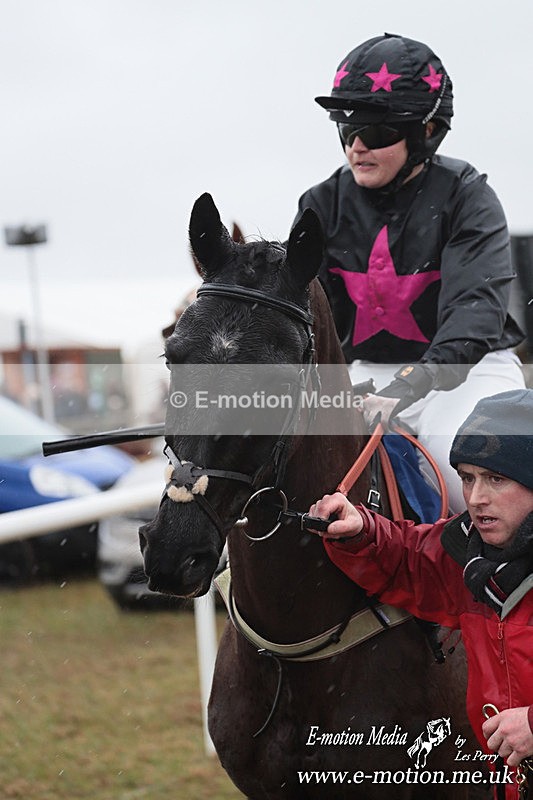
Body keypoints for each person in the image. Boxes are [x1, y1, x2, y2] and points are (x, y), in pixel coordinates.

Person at [294, 33, 525, 513]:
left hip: (466, 371)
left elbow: (475, 314)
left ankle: (496, 584)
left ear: (426, 131)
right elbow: (302, 318)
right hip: (366, 375)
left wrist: (411, 384)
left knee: (459, 472)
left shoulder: (467, 196)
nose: (356, 147)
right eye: (346, 130)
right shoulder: (319, 204)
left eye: (376, 133)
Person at [308, 389, 533, 800]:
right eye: (467, 478)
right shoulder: (468, 555)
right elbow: (412, 560)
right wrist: (362, 530)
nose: (476, 498)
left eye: (496, 478)